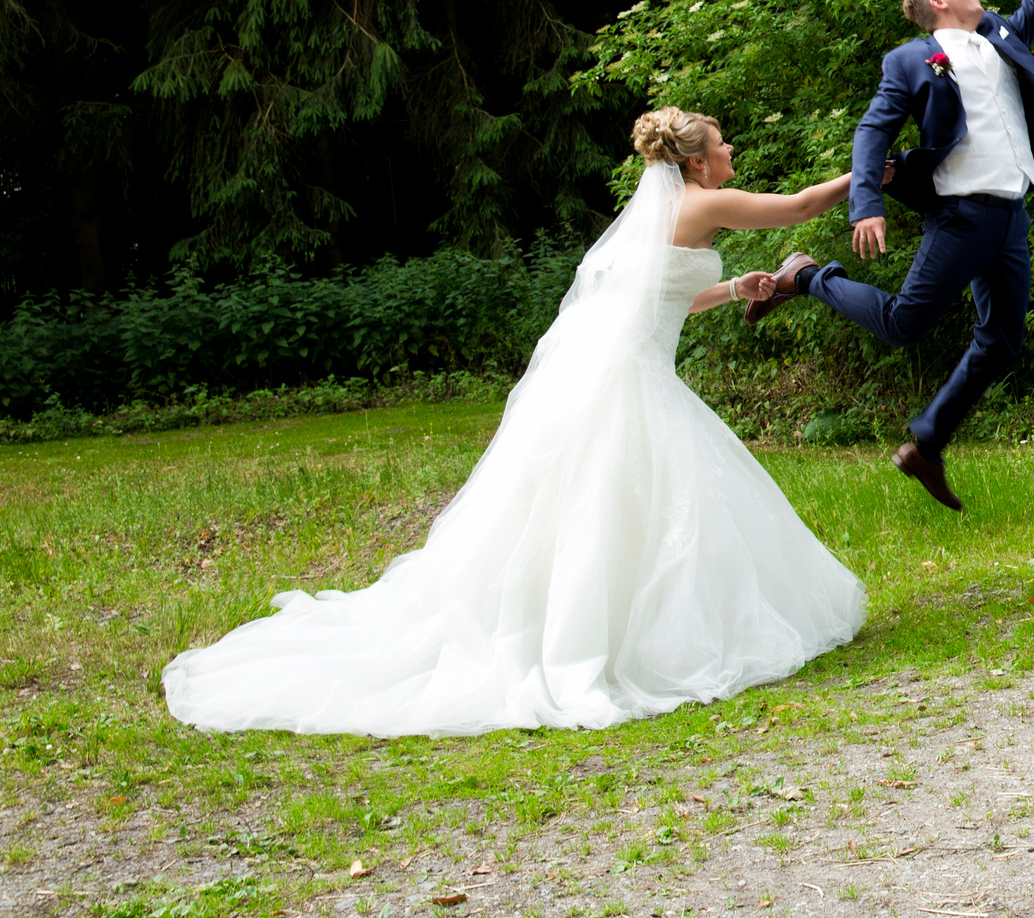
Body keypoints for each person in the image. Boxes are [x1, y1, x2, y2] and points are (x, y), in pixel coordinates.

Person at [161, 111, 865, 737]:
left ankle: (605, 623)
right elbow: (801, 206)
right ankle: (612, 642)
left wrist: (735, 287)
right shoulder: (707, 201)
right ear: (698, 162)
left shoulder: (661, 214)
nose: (731, 148)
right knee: (632, 502)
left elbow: (655, 296)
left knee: (612, 506)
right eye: (721, 142)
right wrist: (871, 171)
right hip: (630, 382)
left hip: (614, 370)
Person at [753, 0, 1034, 511]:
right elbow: (873, 130)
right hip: (960, 215)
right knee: (904, 325)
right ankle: (806, 277)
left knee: (1001, 341)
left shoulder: (1003, 36)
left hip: (1011, 217)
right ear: (938, 2)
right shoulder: (911, 60)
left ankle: (926, 445)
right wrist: (866, 204)